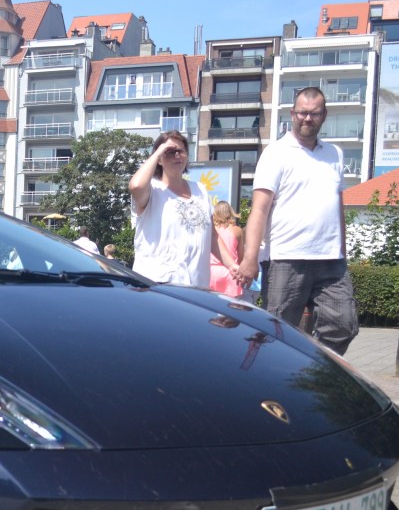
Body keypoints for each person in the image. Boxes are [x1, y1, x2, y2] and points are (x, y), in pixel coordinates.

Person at [239, 86, 357, 354]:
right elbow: (259, 209)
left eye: (314, 113)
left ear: (324, 116)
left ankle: (311, 372)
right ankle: (265, 383)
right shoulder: (276, 153)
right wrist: (250, 258)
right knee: (275, 332)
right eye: (302, 112)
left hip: (330, 260)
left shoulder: (335, 154)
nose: (307, 118)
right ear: (292, 113)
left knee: (344, 325)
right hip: (286, 257)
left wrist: (343, 249)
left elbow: (337, 206)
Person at [129, 130, 230, 288]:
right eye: (169, 152)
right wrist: (157, 153)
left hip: (197, 285)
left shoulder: (200, 190)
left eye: (180, 151)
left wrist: (234, 266)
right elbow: (135, 186)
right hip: (157, 284)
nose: (177, 155)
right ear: (159, 158)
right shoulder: (153, 189)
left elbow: (212, 236)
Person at [208, 201, 247, 299]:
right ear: (230, 212)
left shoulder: (211, 230)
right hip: (231, 272)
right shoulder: (237, 230)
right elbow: (241, 256)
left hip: (212, 271)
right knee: (231, 308)